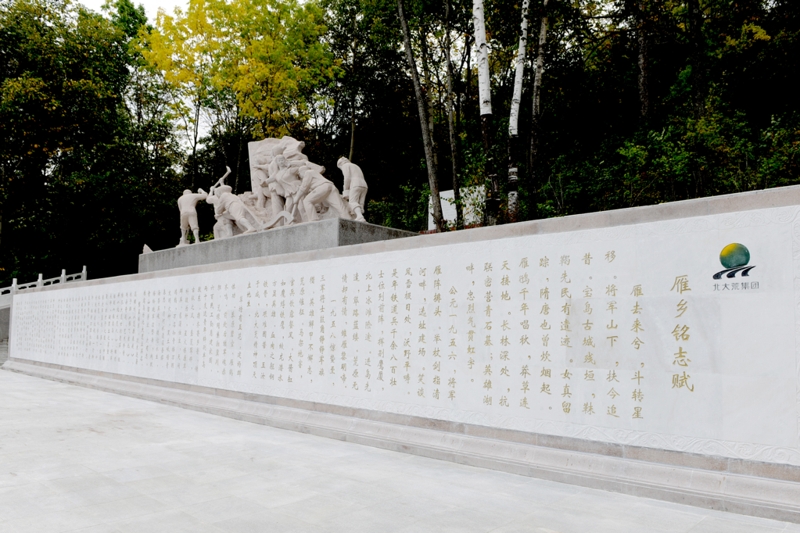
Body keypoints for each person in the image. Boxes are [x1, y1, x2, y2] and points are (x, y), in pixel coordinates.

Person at [337, 157, 368, 222]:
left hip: (355, 184)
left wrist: (345, 190)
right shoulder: (356, 166)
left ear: (340, 164)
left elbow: (347, 178)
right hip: (364, 185)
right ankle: (360, 218)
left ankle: (359, 216)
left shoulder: (345, 165)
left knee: (352, 202)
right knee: (360, 203)